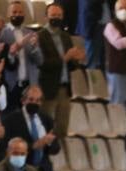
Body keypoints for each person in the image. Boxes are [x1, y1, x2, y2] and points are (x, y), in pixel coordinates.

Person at [38, 3, 85, 139]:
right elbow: (43, 63)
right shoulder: (41, 36)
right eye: (53, 15)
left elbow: (71, 64)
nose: (56, 18)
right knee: (46, 127)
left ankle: (61, 156)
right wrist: (65, 58)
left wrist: (77, 59)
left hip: (65, 88)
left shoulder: (65, 36)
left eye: (59, 15)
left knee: (62, 128)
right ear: (46, 16)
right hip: (48, 89)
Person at [3, 85, 60, 171]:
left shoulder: (47, 119)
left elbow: (56, 149)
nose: (34, 103)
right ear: (23, 100)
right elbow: (6, 147)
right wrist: (34, 145)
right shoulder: (11, 120)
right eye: (31, 99)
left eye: (38, 100)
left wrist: (49, 142)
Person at [0, 1, 43, 111]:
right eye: (14, 12)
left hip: (30, 85)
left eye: (20, 12)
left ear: (24, 14)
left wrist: (35, 48)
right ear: (8, 14)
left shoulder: (31, 33)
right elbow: (1, 60)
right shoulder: (3, 34)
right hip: (12, 85)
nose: (17, 14)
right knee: (12, 118)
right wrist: (12, 53)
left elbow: (40, 61)